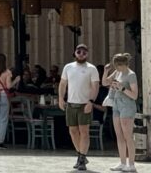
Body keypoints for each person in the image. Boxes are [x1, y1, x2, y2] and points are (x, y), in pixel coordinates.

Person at [59, 43, 101, 172]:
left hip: (84, 103)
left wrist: (91, 101)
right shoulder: (68, 67)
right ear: (75, 53)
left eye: (84, 52)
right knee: (73, 131)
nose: (81, 54)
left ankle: (82, 158)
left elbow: (95, 86)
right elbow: (63, 84)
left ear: (87, 54)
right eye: (79, 51)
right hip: (71, 103)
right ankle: (80, 153)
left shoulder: (91, 68)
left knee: (84, 131)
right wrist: (61, 98)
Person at [103, 52, 139, 172]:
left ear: (125, 64)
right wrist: (106, 71)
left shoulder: (131, 75)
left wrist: (122, 88)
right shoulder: (117, 72)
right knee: (119, 135)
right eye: (116, 65)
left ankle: (132, 164)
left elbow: (134, 95)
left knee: (128, 135)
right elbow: (104, 83)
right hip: (116, 105)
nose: (117, 68)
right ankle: (122, 162)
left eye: (119, 65)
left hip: (127, 106)